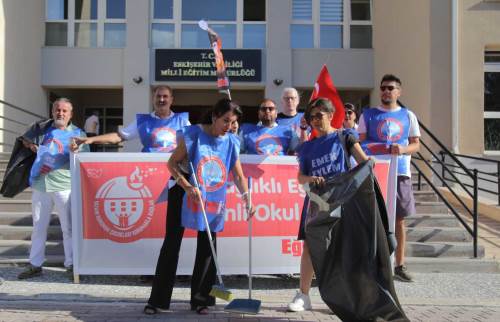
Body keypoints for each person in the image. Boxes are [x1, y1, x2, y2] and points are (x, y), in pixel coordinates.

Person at [144, 98, 254, 315]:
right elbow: (171, 164)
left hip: (213, 193)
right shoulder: (193, 134)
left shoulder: (232, 141)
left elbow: (239, 175)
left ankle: (201, 300)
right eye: (225, 121)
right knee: (172, 243)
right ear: (214, 116)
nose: (228, 127)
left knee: (208, 245)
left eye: (233, 123)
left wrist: (247, 197)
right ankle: (157, 301)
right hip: (184, 187)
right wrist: (187, 187)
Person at [287, 98, 369, 312]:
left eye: (319, 116)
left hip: (342, 201)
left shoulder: (345, 136)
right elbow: (300, 178)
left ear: (331, 115)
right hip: (316, 202)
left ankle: (342, 298)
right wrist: (311, 179)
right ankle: (303, 295)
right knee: (309, 247)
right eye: (311, 117)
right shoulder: (306, 148)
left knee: (340, 248)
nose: (314, 120)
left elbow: (365, 163)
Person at [358, 74, 421, 282]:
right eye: (383, 88)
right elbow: (360, 144)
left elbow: (416, 144)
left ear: (398, 92)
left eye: (391, 88)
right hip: (375, 173)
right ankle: (371, 264)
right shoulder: (367, 115)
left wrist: (402, 149)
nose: (386, 91)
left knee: (399, 220)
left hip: (401, 172)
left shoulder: (408, 115)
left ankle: (400, 265)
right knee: (371, 218)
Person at [17, 98, 89, 279]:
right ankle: (35, 264)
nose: (60, 113)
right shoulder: (42, 130)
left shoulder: (78, 134)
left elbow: (85, 159)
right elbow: (25, 140)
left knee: (69, 228)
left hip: (64, 186)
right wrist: (32, 146)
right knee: (38, 227)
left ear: (70, 114)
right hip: (41, 184)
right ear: (52, 112)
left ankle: (72, 265)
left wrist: (76, 151)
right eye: (57, 110)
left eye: (65, 111)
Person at [74, 86, 189, 152]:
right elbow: (119, 136)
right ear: (153, 99)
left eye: (165, 96)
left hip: (175, 175)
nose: (161, 99)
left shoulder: (182, 120)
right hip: (150, 172)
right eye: (158, 96)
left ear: (171, 99)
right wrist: (91, 139)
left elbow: (193, 142)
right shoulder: (143, 121)